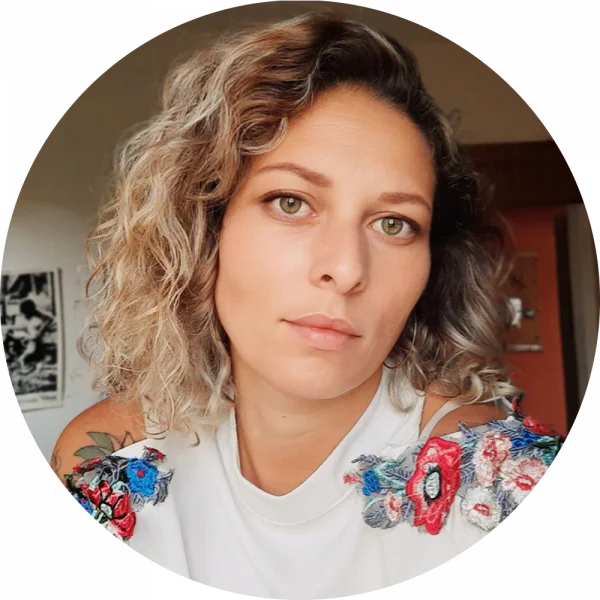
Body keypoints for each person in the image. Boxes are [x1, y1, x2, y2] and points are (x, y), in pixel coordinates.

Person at [51, 11, 564, 596]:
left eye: (394, 223)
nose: (346, 270)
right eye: (291, 202)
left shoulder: (498, 484)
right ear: (203, 228)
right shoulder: (105, 460)